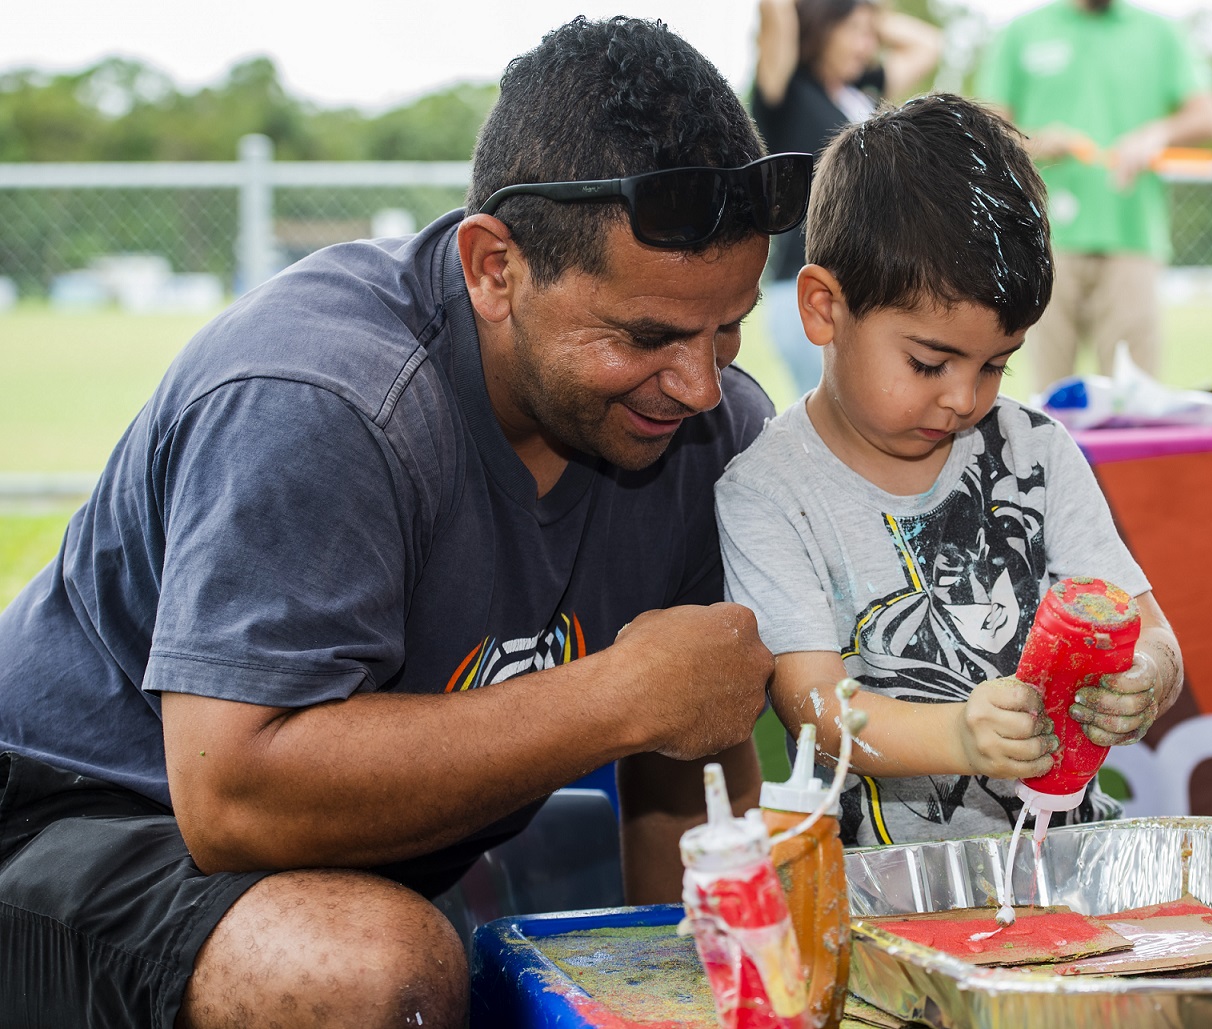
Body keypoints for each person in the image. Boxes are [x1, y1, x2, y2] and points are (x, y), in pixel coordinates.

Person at [0, 17, 812, 1026]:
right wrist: (617, 698)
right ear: (492, 268)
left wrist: (689, 987)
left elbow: (682, 757)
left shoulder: (701, 424)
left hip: (346, 855)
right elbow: (231, 797)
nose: (699, 382)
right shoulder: (322, 400)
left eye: (726, 326)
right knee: (369, 969)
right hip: (80, 818)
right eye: (644, 334)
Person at [714, 94, 1184, 847]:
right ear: (822, 309)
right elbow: (812, 706)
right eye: (928, 362)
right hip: (880, 903)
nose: (964, 398)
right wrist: (959, 737)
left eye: (995, 364)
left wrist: (1145, 680)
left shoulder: (1036, 453)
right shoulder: (769, 493)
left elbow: (1152, 635)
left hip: (1065, 870)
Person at [975, 0, 1212, 391]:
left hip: (1132, 236)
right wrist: (1036, 141)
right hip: (1040, 240)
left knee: (1136, 398)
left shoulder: (1160, 33)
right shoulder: (1021, 33)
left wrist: (1157, 133)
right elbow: (986, 132)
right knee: (1049, 399)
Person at [751, 0, 943, 396]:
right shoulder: (786, 89)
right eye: (855, 32)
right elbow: (776, 9)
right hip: (808, 286)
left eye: (872, 36)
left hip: (862, 282)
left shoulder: (862, 93)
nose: (867, 45)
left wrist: (868, 15)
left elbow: (928, 44)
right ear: (823, 26)